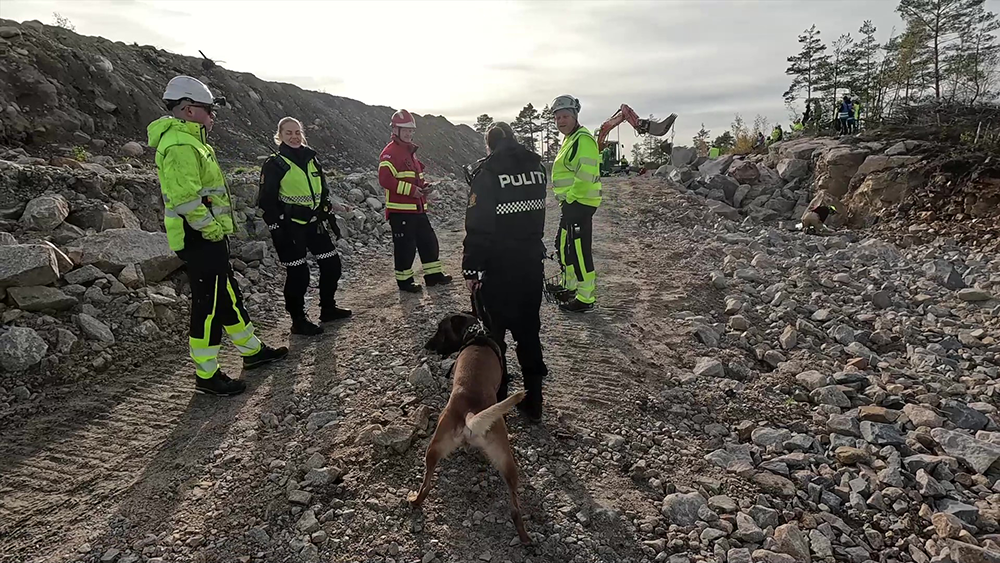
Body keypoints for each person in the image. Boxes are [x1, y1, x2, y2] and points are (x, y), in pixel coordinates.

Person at [147, 76, 287, 396]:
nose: (213, 116)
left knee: (227, 294)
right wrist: (211, 230)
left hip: (208, 236)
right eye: (209, 110)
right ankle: (206, 374)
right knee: (208, 305)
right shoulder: (181, 145)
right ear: (188, 109)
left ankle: (251, 351)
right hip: (198, 237)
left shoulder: (192, 142)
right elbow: (185, 199)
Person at [463, 122, 548, 422]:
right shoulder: (537, 168)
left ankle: (496, 401)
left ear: (490, 145)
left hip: (498, 269)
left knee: (494, 337)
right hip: (530, 265)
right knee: (529, 332)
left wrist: (471, 269)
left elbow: (478, 227)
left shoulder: (487, 174)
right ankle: (534, 402)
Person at [258, 117, 352, 336]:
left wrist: (334, 206)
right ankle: (298, 320)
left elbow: (322, 191)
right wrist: (277, 227)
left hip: (314, 224)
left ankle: (328, 308)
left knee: (332, 265)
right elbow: (266, 201)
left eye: (297, 132)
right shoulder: (275, 164)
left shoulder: (312, 159)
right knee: (298, 274)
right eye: (288, 133)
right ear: (279, 136)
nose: (294, 137)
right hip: (290, 228)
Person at [378, 109, 453, 292]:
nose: (409, 133)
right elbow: (385, 180)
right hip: (401, 211)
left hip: (417, 209)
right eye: (405, 130)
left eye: (411, 130)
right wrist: (412, 191)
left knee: (429, 242)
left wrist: (424, 187)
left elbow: (414, 179)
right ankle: (405, 282)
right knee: (406, 248)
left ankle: (433, 276)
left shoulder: (409, 152)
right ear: (395, 130)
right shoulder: (390, 153)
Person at [546, 94, 601, 313]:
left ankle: (585, 298)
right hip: (571, 204)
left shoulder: (582, 140)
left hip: (579, 203)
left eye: (565, 116)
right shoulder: (570, 139)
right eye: (557, 117)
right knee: (563, 245)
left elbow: (585, 175)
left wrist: (570, 199)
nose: (561, 121)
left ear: (575, 116)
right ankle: (568, 285)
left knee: (579, 251)